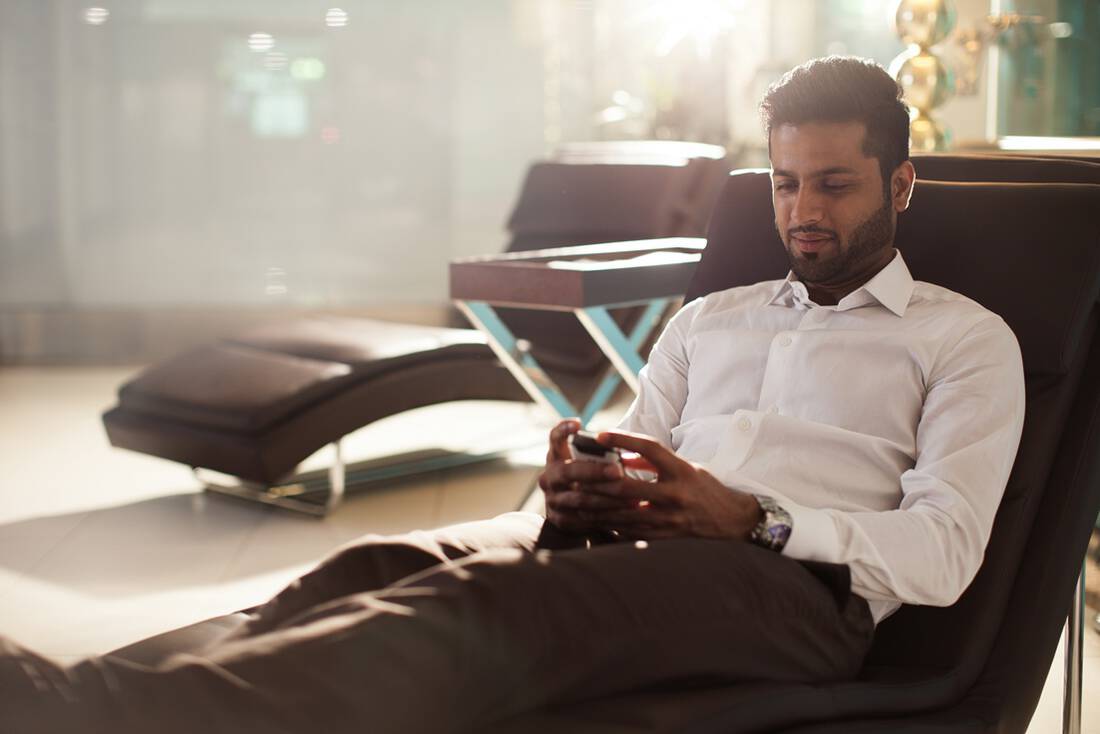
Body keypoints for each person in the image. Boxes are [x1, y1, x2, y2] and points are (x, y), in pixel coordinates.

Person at [0, 56, 1024, 734]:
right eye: (785, 182)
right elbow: (642, 449)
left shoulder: (963, 341)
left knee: (483, 612)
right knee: (370, 565)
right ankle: (91, 702)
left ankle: (68, 712)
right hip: (639, 549)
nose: (801, 210)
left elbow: (942, 552)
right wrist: (585, 484)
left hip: (797, 595)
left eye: (834, 184)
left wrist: (753, 518)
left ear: (898, 185)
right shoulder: (714, 317)